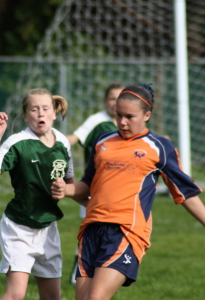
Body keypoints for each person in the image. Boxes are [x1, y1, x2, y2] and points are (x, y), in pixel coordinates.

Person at [51, 84, 205, 300]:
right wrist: (65, 189)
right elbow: (88, 184)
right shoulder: (102, 140)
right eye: (118, 115)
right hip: (91, 229)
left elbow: (184, 192)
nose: (122, 122)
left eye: (129, 116)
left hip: (126, 230)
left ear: (147, 115)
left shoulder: (159, 147)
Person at [0, 88, 74, 300]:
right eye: (34, 110)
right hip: (19, 227)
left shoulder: (63, 143)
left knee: (53, 297)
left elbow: (70, 185)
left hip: (48, 227)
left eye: (45, 109)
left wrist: (89, 202)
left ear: (54, 113)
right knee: (16, 294)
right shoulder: (17, 143)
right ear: (25, 116)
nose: (40, 114)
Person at [66, 82, 125, 284]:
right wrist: (50, 143)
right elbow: (72, 139)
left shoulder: (127, 122)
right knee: (91, 230)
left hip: (119, 189)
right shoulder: (97, 121)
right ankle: (79, 274)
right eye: (111, 98)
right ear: (104, 101)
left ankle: (99, 273)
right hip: (95, 187)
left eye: (120, 98)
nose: (115, 103)